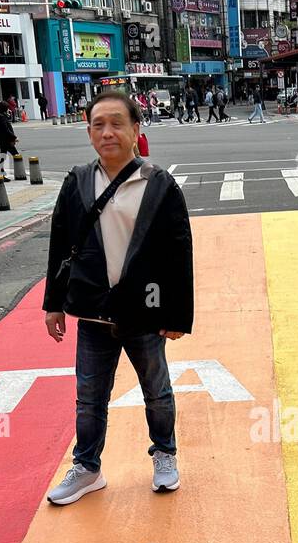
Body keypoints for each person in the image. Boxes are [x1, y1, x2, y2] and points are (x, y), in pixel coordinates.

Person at [43, 90, 193, 503]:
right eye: (97, 125)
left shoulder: (158, 184)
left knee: (156, 390)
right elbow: (60, 245)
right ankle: (88, 468)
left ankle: (164, 455)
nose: (106, 133)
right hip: (93, 311)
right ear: (89, 132)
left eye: (116, 124)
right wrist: (53, 303)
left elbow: (178, 251)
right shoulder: (76, 182)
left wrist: (178, 314)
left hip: (143, 310)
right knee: (89, 397)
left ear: (135, 130)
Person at [0, 101, 19, 174]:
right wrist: (14, 137)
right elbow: (6, 130)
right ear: (6, 109)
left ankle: (0, 171)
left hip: (2, 140)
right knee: (16, 155)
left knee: (3, 155)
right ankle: (20, 170)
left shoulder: (1, 116)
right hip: (5, 140)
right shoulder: (2, 118)